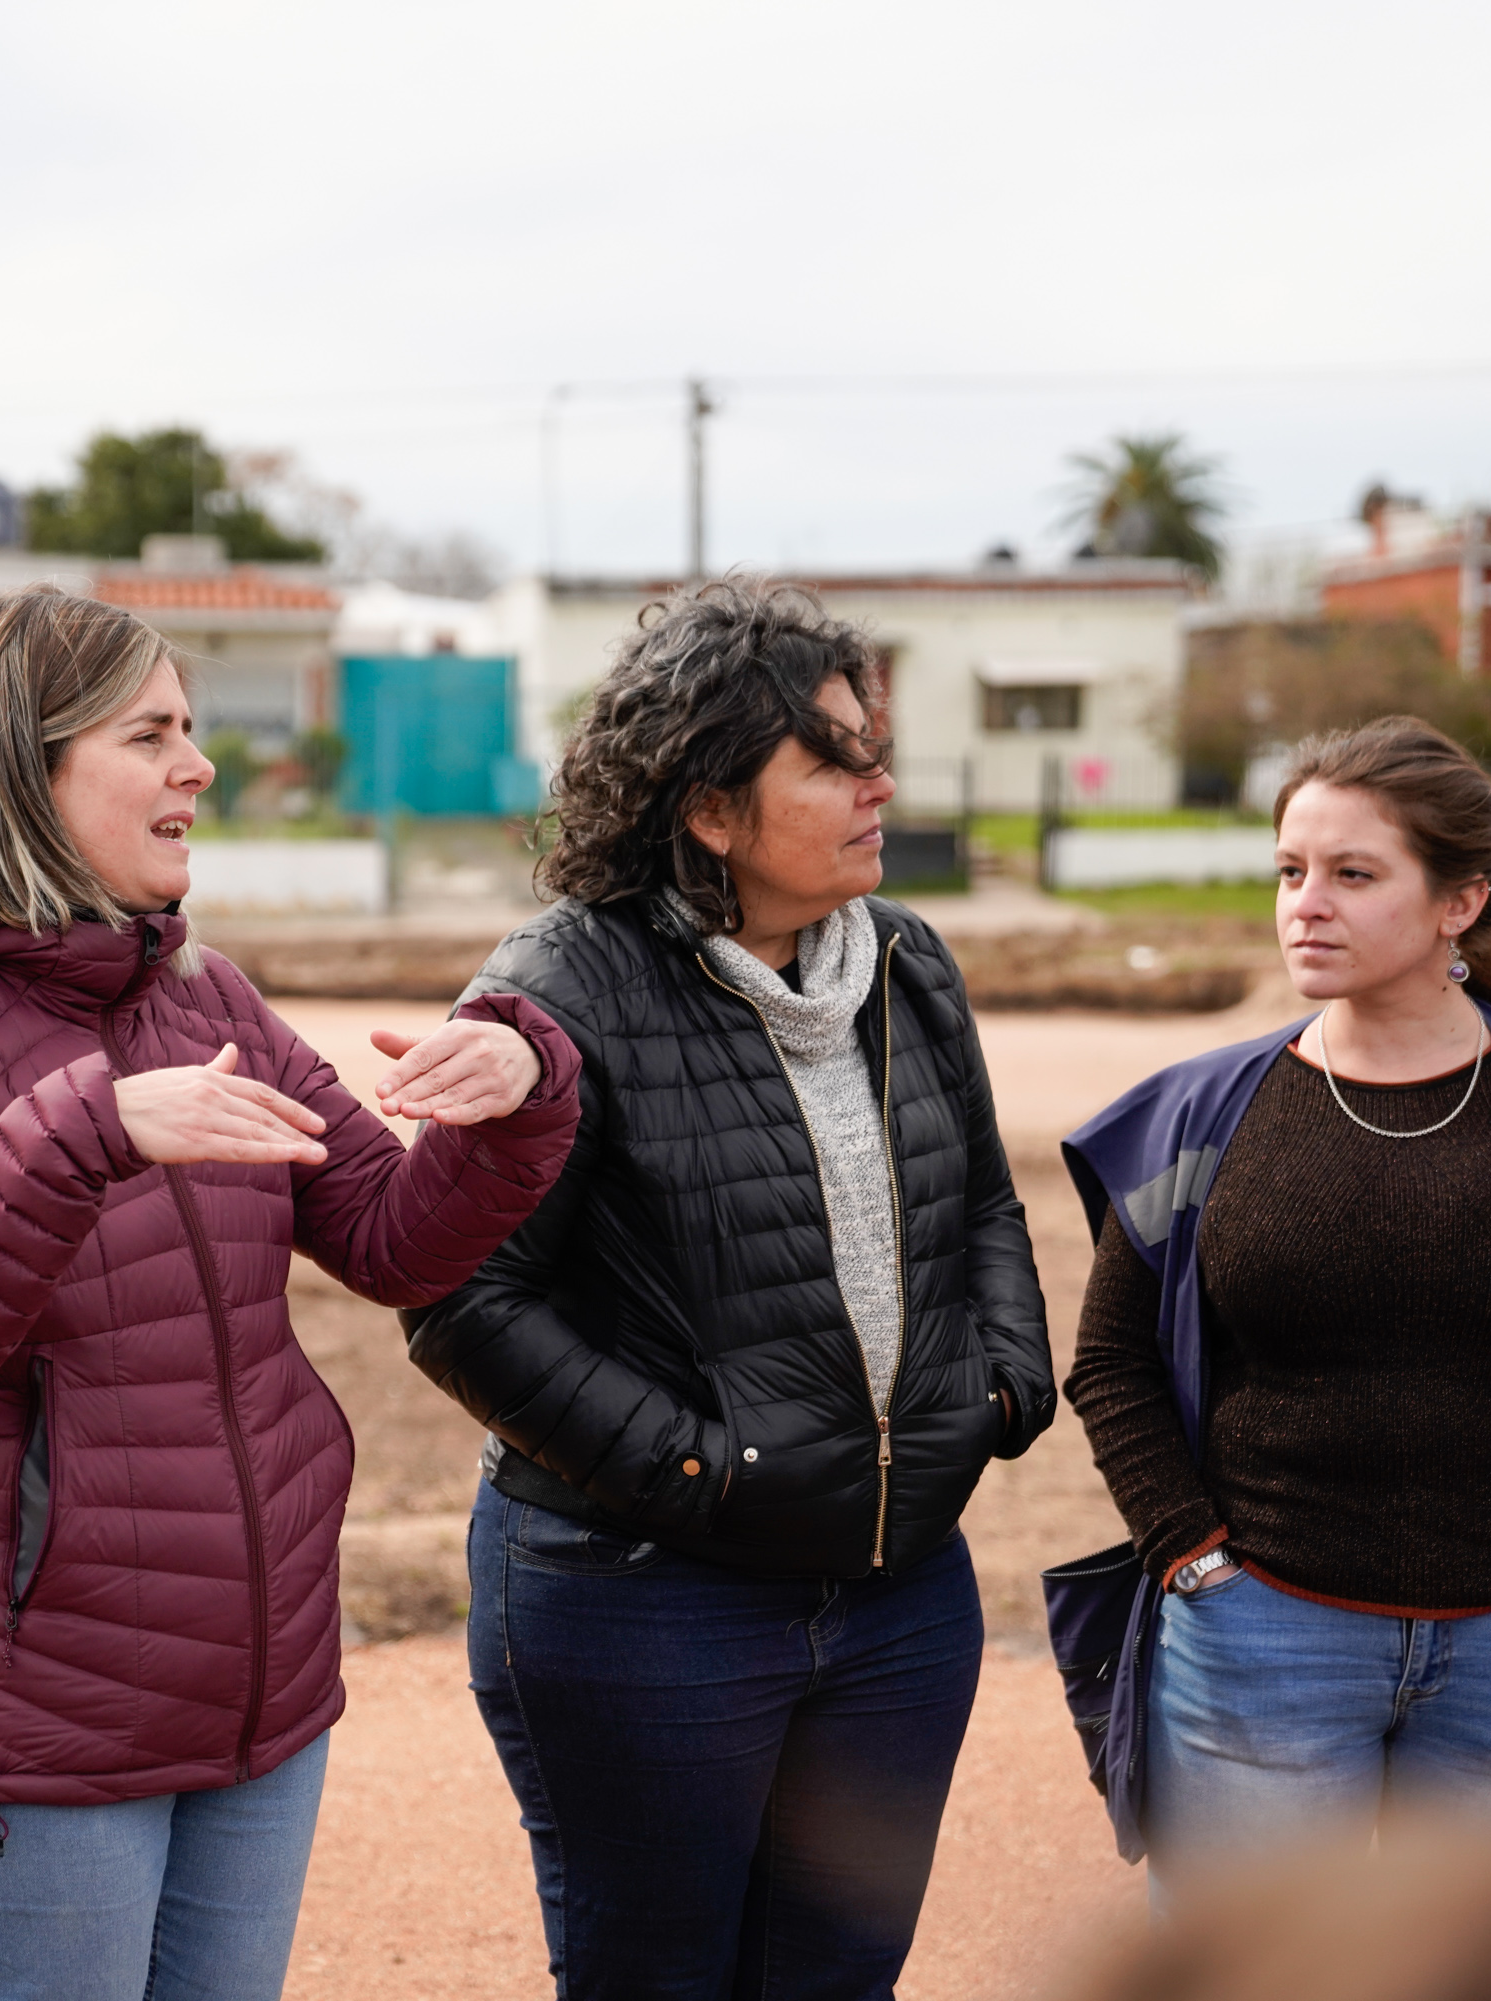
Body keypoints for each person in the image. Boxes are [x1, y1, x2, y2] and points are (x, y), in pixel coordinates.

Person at [0, 585, 580, 2001]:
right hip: (36, 1744)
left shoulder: (207, 998)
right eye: (151, 732)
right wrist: (81, 1132)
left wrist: (519, 1094)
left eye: (193, 728)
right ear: (20, 769)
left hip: (261, 1705)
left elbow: (390, 1239)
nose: (199, 765)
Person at [404, 576, 1054, 2001]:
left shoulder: (908, 963)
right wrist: (699, 1465)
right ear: (706, 809)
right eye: (829, 755)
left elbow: (986, 1203)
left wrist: (1000, 1382)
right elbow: (457, 1294)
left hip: (897, 1597)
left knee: (834, 1981)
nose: (877, 779)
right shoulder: (557, 988)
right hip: (648, 1602)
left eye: (869, 742)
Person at [1062, 716, 1491, 1884]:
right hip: (1263, 1643)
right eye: (1291, 871)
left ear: (1461, 902)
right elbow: (1111, 1362)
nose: (1306, 903)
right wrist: (1192, 1560)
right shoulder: (1200, 1115)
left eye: (1354, 875)